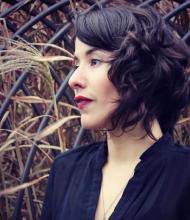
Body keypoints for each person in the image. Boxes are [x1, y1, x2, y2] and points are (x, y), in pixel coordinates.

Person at [40, 1, 190, 219]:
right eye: (76, 64)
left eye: (94, 61)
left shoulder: (184, 176)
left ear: (142, 71)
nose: (73, 80)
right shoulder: (66, 171)